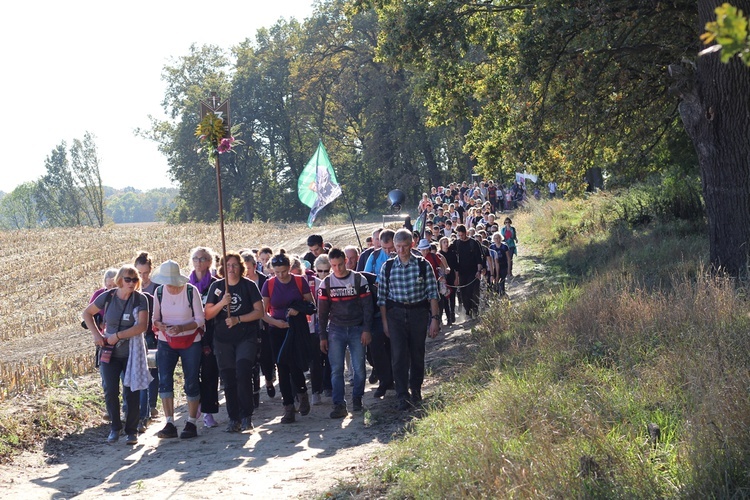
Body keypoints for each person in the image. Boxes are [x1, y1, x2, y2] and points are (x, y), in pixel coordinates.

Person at [82, 265, 151, 445]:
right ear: (120, 280)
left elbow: (142, 326)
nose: (131, 283)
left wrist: (118, 336)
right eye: (128, 279)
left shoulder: (140, 299)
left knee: (131, 391)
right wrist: (97, 335)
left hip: (131, 353)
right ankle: (114, 427)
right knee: (110, 390)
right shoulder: (108, 296)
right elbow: (87, 313)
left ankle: (131, 430)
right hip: (109, 353)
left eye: (135, 280)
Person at [377, 229, 440, 411]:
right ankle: (402, 394)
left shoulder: (422, 265)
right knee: (398, 356)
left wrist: (434, 319)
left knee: (417, 353)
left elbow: (432, 294)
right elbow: (382, 299)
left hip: (418, 313)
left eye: (405, 246)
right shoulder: (387, 267)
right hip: (395, 314)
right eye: (398, 247)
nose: (401, 250)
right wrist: (385, 323)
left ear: (412, 245)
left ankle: (416, 389)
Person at [205, 252, 265, 433]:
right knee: (229, 379)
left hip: (245, 337)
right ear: (224, 268)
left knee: (243, 373)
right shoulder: (216, 287)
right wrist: (222, 302)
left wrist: (238, 319)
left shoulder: (249, 286)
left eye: (235, 265)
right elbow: (207, 314)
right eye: (228, 265)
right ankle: (234, 418)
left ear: (241, 267)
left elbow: (259, 312)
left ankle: (247, 415)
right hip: (223, 340)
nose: (231, 269)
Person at [151, 260, 205, 439]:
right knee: (165, 379)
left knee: (191, 379)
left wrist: (181, 329)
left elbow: (200, 319)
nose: (167, 283)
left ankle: (191, 422)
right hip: (166, 341)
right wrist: (162, 326)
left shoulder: (191, 291)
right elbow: (155, 319)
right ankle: (169, 422)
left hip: (191, 341)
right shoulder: (159, 292)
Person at [317, 247, 373, 418]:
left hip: (357, 327)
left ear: (346, 261)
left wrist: (366, 329)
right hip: (336, 329)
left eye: (340, 264)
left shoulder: (358, 279)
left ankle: (357, 398)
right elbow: (322, 313)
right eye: (333, 265)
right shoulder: (325, 283)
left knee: (359, 368)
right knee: (336, 369)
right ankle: (339, 404)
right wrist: (322, 336)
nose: (337, 269)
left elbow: (368, 307)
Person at [261, 252, 316, 424]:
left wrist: (298, 309)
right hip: (277, 330)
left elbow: (311, 305)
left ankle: (302, 394)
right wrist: (276, 323)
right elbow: (262, 312)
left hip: (296, 328)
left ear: (289, 268)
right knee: (282, 367)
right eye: (277, 272)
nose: (281, 275)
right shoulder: (269, 284)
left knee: (295, 364)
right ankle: (288, 406)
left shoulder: (300, 281)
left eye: (284, 271)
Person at [187, 246, 220, 428]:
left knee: (209, 373)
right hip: (190, 334)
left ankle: (208, 411)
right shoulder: (185, 285)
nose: (198, 262)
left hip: (210, 335)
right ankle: (196, 403)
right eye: (195, 258)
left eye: (202, 259)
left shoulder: (216, 284)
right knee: (192, 373)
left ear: (209, 262)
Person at [241, 251, 275, 402]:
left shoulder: (264, 281)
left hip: (264, 324)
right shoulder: (239, 283)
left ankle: (268, 380)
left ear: (255, 267)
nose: (245, 271)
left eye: (247, 268)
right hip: (247, 326)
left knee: (266, 357)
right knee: (251, 360)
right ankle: (254, 393)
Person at [132, 251, 159, 432]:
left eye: (146, 273)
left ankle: (151, 403)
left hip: (151, 333)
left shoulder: (156, 288)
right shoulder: (131, 286)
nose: (143, 277)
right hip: (136, 335)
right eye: (139, 273)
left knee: (153, 370)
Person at [450, 224, 484, 320]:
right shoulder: (456, 243)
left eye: (462, 235)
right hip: (462, 272)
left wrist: (479, 271)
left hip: (473, 272)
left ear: (466, 233)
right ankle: (467, 312)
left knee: (473, 291)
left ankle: (475, 310)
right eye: (459, 235)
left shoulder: (474, 243)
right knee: (464, 293)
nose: (461, 237)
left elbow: (479, 259)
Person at [439, 237, 458, 325]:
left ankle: (452, 313)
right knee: (445, 298)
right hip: (443, 279)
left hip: (452, 277)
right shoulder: (439, 255)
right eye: (444, 242)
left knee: (452, 296)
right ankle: (448, 317)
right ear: (441, 244)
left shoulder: (452, 254)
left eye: (447, 242)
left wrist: (456, 278)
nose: (446, 244)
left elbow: (456, 268)